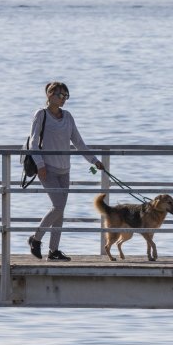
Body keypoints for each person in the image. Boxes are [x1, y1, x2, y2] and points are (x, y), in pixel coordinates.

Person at [26, 81, 104, 261]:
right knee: (58, 207)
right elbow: (33, 142)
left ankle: (54, 251)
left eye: (66, 96)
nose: (63, 99)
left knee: (60, 210)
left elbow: (78, 142)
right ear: (49, 95)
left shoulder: (68, 116)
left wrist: (94, 161)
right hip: (47, 169)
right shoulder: (41, 115)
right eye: (60, 95)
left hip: (64, 170)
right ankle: (35, 239)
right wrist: (40, 165)